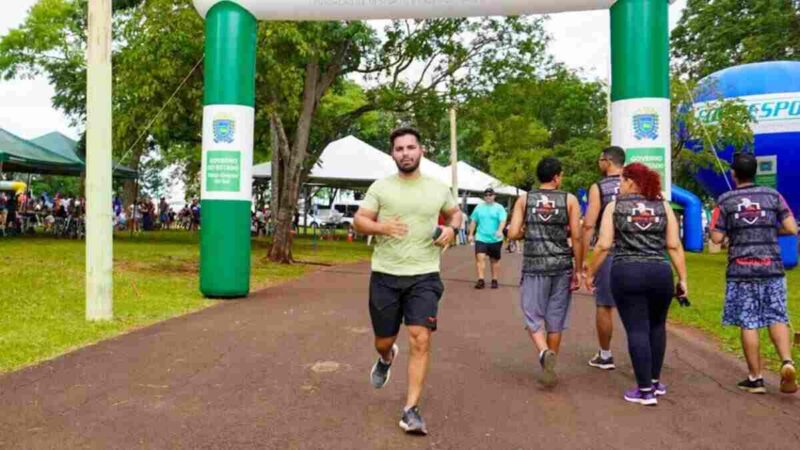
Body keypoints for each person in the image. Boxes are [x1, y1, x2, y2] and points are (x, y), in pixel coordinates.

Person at [354, 127, 462, 435]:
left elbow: (455, 214)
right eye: (399, 148)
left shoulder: (438, 188)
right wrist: (382, 227)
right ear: (393, 154)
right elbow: (359, 220)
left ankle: (411, 409)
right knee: (384, 340)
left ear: (421, 150)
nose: (405, 153)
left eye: (410, 147)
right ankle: (386, 357)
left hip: (424, 275)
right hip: (386, 275)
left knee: (420, 337)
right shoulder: (381, 187)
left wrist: (452, 228)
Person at [585, 163, 688, 406]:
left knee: (637, 329)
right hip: (659, 272)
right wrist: (682, 278)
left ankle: (644, 391)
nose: (619, 185)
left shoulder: (614, 207)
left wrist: (590, 273)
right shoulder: (664, 206)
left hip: (627, 271)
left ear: (632, 181)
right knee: (657, 326)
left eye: (622, 181)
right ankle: (653, 382)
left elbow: (603, 245)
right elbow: (673, 245)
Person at [710, 153, 797, 395]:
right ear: (755, 172)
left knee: (748, 321)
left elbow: (716, 238)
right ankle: (787, 362)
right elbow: (791, 227)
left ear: (734, 174)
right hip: (772, 268)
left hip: (741, 270)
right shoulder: (773, 196)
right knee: (776, 316)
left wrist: (732, 233)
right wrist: (771, 229)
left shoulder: (725, 200)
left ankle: (755, 378)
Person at [507, 157, 583, 386]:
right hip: (561, 266)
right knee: (555, 319)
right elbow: (577, 236)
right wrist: (579, 269)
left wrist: (527, 233)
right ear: (557, 176)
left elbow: (512, 233)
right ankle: (551, 364)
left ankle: (543, 353)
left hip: (534, 266)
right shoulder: (569, 199)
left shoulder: (525, 199)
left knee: (533, 315)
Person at [582, 146, 625, 370]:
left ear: (607, 162)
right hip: (638, 253)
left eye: (600, 160)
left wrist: (582, 257)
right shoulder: (637, 183)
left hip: (609, 252)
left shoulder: (599, 187)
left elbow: (589, 224)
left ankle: (606, 354)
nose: (598, 163)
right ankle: (644, 352)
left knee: (605, 305)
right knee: (637, 306)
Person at [468, 188, 508, 289]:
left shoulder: (499, 208)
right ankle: (481, 280)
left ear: (494, 196)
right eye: (486, 195)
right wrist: (471, 234)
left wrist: (499, 230)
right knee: (480, 258)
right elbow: (473, 221)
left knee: (494, 260)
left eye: (490, 195)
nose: (488, 197)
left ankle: (494, 279)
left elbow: (503, 221)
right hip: (481, 237)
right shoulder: (479, 207)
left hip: (495, 239)